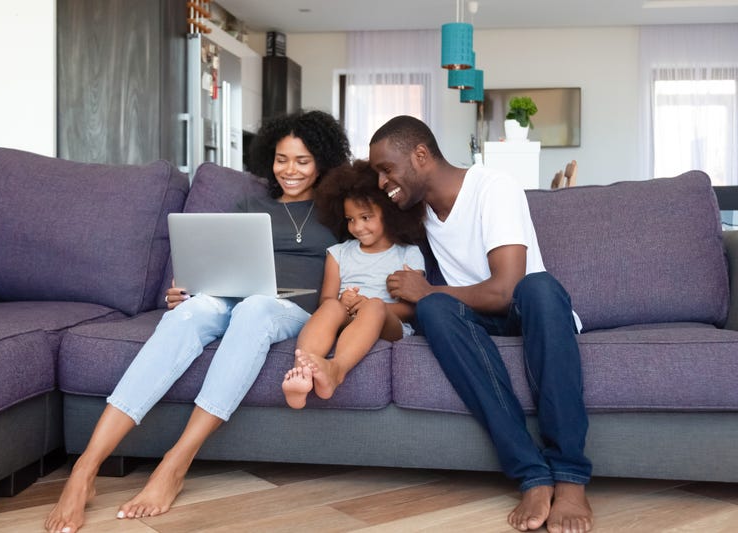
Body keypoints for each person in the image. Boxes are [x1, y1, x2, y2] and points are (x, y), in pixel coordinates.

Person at [45, 110, 351, 533]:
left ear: (322, 161)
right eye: (282, 159)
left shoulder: (338, 210)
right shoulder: (250, 205)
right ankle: (84, 470)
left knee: (254, 310)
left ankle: (176, 462)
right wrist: (189, 286)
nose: (290, 170)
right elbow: (217, 257)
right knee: (189, 313)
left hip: (286, 306)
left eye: (302, 160)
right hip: (230, 292)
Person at [369, 115, 593, 533]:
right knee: (434, 311)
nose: (382, 182)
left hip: (531, 312)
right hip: (476, 321)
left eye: (386, 169)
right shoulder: (416, 215)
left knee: (539, 287)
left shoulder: (493, 187)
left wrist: (428, 290)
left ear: (420, 155)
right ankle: (533, 474)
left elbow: (507, 288)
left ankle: (570, 477)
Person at [281, 160, 425, 409]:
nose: (357, 227)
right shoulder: (338, 253)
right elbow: (326, 301)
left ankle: (336, 369)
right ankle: (303, 371)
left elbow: (410, 309)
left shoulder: (408, 254)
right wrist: (342, 303)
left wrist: (368, 305)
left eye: (366, 217)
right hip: (347, 315)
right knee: (329, 309)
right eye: (350, 219)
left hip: (388, 321)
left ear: (389, 213)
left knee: (375, 306)